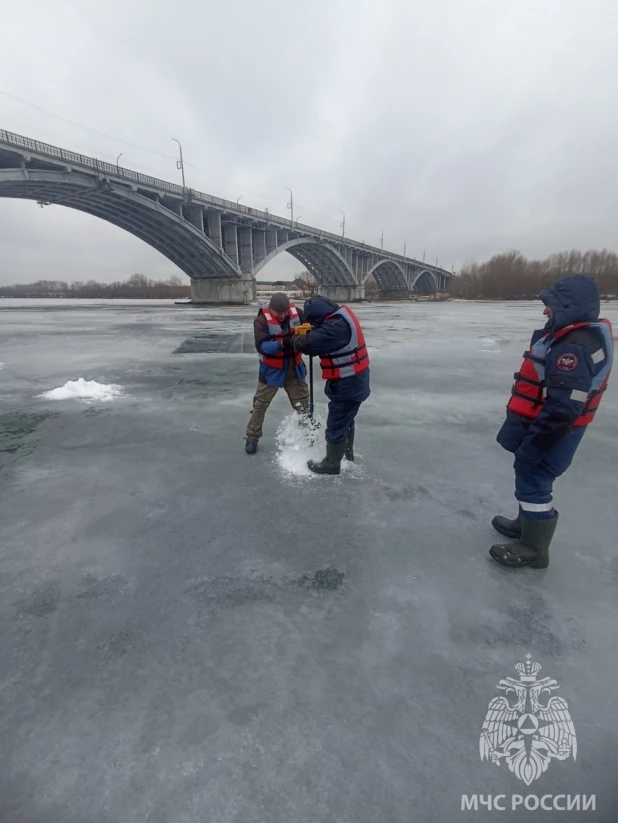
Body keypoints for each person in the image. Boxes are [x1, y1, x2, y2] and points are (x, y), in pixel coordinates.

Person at [490, 274, 613, 569]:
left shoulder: (571, 348)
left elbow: (562, 408)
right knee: (529, 476)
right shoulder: (574, 336)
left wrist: (536, 443)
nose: (545, 310)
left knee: (535, 478)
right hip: (549, 427)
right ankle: (526, 524)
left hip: (552, 431)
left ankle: (534, 548)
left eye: (550, 305)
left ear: (569, 306)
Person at [291, 296, 370, 475]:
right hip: (354, 380)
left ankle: (331, 464)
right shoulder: (339, 317)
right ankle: (346, 453)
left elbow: (309, 344)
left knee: (337, 422)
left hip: (348, 383)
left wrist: (295, 338)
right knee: (347, 418)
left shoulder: (335, 329)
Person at [245, 293, 309, 454]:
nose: (281, 316)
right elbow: (262, 347)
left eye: (284, 312)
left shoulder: (298, 314)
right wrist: (283, 343)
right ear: (270, 309)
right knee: (260, 405)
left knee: (304, 406)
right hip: (271, 371)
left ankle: (308, 435)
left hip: (294, 368)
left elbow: (312, 326)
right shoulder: (261, 321)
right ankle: (252, 437)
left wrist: (310, 339)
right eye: (277, 313)